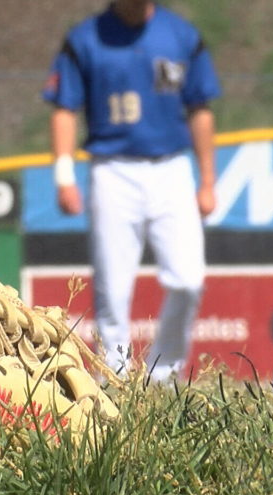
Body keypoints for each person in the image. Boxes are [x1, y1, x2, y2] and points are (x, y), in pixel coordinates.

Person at [41, 0, 221, 381]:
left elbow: (200, 109)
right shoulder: (86, 39)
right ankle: (115, 379)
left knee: (189, 280)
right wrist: (63, 175)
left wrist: (207, 180)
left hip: (172, 167)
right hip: (113, 169)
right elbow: (64, 108)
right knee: (112, 288)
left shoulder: (181, 35)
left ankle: (163, 372)